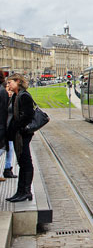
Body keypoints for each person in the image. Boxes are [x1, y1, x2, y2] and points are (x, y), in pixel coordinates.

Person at [5, 74, 35, 202]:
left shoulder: (24, 96)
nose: (8, 85)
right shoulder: (16, 96)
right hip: (18, 135)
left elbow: (27, 116)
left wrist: (18, 128)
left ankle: (26, 191)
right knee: (22, 163)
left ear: (18, 82)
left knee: (25, 162)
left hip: (22, 135)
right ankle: (20, 191)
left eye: (10, 82)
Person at [0, 71, 17, 181]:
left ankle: (7, 169)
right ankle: (7, 169)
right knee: (4, 148)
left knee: (9, 149)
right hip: (4, 126)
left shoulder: (11, 96)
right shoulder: (3, 94)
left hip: (8, 126)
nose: (8, 87)